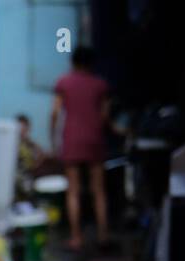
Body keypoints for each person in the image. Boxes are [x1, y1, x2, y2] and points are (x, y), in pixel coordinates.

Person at [50, 45, 112, 250]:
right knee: (99, 191)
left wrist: (53, 139)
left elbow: (55, 113)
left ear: (73, 62)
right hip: (94, 139)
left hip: (72, 140)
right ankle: (103, 235)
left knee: (73, 191)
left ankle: (77, 237)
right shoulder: (100, 84)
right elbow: (105, 116)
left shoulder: (64, 82)